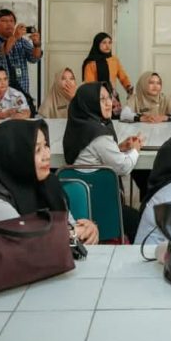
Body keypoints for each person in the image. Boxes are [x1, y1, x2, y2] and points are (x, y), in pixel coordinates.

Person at [0, 119, 98, 244]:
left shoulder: (48, 185)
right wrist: (72, 234)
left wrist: (87, 230)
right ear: (13, 155)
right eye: (37, 150)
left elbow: (69, 226)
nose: (47, 155)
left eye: (46, 145)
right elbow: (23, 245)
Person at [63, 82, 143, 241]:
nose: (109, 103)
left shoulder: (79, 126)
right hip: (102, 208)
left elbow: (93, 153)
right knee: (140, 222)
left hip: (79, 206)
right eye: (102, 99)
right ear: (90, 102)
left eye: (109, 97)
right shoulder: (98, 133)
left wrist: (118, 148)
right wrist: (135, 149)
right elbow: (124, 167)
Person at [0, 8, 42, 95]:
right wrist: (15, 37)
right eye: (4, 21)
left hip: (20, 92)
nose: (9, 24)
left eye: (11, 21)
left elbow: (34, 58)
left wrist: (37, 44)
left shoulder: (21, 41)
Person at [82, 32, 133, 117]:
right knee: (98, 120)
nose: (108, 46)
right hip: (97, 97)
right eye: (104, 43)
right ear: (97, 44)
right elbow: (89, 85)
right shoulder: (90, 63)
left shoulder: (114, 60)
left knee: (115, 119)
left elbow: (123, 76)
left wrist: (128, 87)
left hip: (113, 97)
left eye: (109, 43)